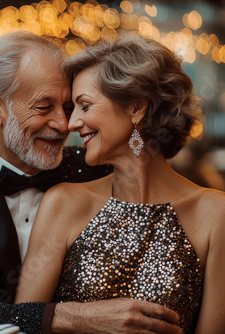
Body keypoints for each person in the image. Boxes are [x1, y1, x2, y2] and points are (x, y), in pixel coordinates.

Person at [0, 31, 180, 333]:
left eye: (68, 107)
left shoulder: (98, 170)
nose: (63, 125)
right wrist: (63, 317)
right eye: (44, 107)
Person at [16, 34, 225, 333]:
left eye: (84, 106)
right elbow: (23, 323)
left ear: (136, 108)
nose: (71, 123)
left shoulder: (216, 213)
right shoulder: (64, 202)